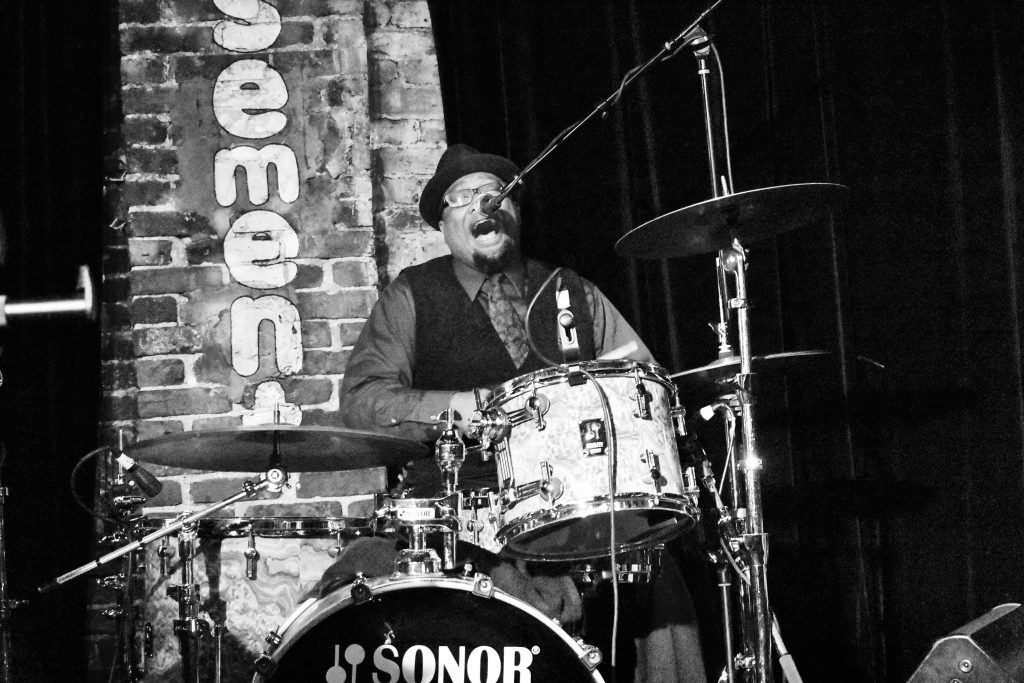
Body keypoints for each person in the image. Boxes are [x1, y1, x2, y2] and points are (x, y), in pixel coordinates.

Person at [329, 144, 707, 682]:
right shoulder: (411, 295)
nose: (482, 204)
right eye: (462, 197)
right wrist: (457, 407)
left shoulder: (574, 292)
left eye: (494, 193)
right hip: (454, 518)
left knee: (661, 578)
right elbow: (363, 401)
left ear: (515, 211)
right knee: (357, 582)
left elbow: (643, 385)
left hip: (573, 517)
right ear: (444, 225)